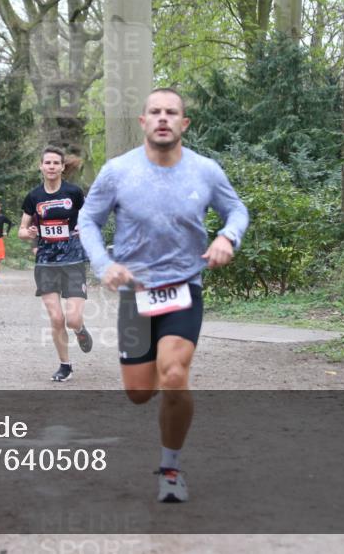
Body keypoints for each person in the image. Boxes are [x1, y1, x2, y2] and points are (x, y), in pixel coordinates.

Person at [78, 88, 249, 503]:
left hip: (184, 287)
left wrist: (227, 237)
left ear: (183, 123)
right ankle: (155, 368)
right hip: (135, 292)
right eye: (154, 111)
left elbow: (236, 210)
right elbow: (88, 220)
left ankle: (170, 469)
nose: (162, 118)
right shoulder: (118, 171)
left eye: (171, 112)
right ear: (142, 122)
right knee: (139, 393)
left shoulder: (205, 171)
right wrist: (103, 264)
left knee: (174, 376)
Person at [18, 147, 93, 382]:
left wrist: (85, 228)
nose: (51, 166)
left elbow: (90, 217)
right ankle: (65, 365)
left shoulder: (74, 192)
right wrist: (29, 233)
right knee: (57, 319)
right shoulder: (34, 196)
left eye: (55, 163)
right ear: (41, 166)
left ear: (62, 167)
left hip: (73, 259)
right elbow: (22, 230)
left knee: (72, 319)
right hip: (46, 261)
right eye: (47, 163)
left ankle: (80, 329)